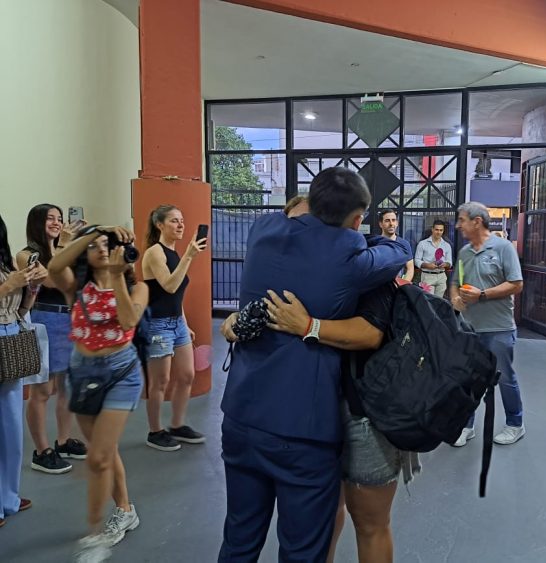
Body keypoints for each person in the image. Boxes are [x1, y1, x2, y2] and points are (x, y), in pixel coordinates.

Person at [218, 167, 410, 562]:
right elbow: (399, 251)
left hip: (240, 414)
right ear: (357, 220)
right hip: (300, 430)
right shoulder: (348, 254)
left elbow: (293, 218)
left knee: (238, 539)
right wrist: (365, 235)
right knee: (302, 551)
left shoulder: (262, 229)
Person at [48, 225, 148, 561]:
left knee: (98, 458)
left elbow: (128, 320)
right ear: (86, 253)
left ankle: (94, 536)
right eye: (96, 246)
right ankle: (125, 509)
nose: (102, 249)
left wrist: (117, 276)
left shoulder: (137, 287)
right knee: (105, 451)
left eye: (108, 244)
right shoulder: (75, 287)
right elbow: (54, 265)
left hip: (121, 373)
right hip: (82, 373)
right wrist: (92, 233)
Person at [18, 204, 87, 474]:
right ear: (37, 222)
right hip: (45, 319)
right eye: (50, 218)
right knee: (42, 390)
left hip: (71, 319)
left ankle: (63, 441)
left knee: (68, 386)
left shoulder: (66, 251)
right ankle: (41, 451)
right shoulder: (27, 255)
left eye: (60, 218)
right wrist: (66, 246)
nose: (57, 223)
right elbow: (52, 281)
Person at [449, 202, 525, 447]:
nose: (458, 225)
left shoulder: (503, 248)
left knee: (504, 378)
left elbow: (516, 283)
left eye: (462, 220)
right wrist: (455, 299)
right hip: (469, 329)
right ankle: (466, 425)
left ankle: (515, 424)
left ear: (477, 221)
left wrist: (482, 295)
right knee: (468, 378)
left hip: (499, 328)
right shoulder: (464, 253)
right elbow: (454, 283)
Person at [141, 205, 207, 452]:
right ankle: (155, 431)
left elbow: (176, 296)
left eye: (181, 221)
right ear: (159, 225)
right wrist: (189, 256)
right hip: (158, 325)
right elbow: (169, 285)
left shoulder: (175, 253)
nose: (180, 225)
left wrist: (185, 324)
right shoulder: (154, 253)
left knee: (187, 375)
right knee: (160, 381)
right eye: (174, 221)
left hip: (177, 323)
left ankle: (177, 425)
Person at [0, 213, 45, 528]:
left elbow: (21, 310)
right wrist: (7, 286)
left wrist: (31, 288)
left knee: (11, 427)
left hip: (11, 341)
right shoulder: (7, 275)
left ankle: (7, 496)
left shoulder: (6, 265)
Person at [414, 219, 452, 298]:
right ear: (432, 229)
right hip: (427, 276)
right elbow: (416, 260)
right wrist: (428, 265)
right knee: (428, 301)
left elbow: (449, 262)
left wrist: (445, 264)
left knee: (439, 302)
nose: (439, 232)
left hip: (441, 276)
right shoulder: (422, 244)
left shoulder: (447, 245)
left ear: (443, 231)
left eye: (441, 230)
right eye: (437, 230)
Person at [379, 209, 414, 282]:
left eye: (393, 220)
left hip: (397, 285)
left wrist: (402, 284)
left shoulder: (404, 244)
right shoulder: (375, 243)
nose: (391, 224)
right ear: (380, 224)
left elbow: (410, 269)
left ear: (397, 223)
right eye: (387, 220)